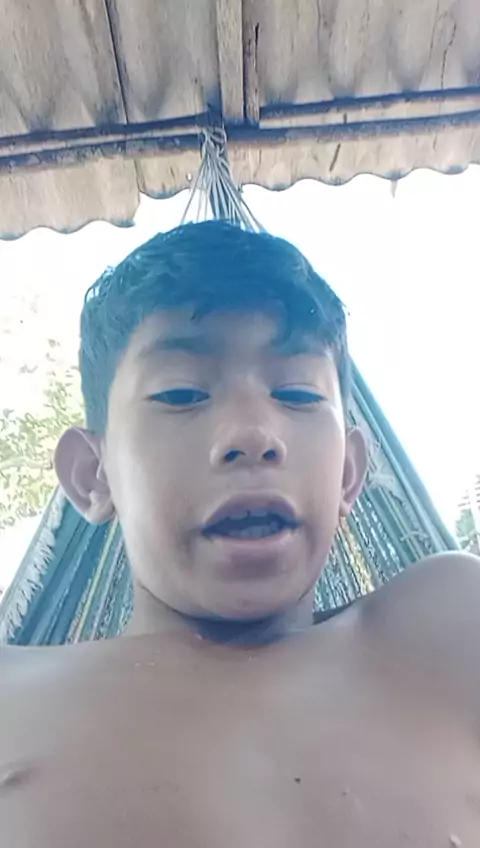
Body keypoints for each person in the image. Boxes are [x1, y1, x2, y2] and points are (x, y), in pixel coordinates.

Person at [1, 221, 479, 848]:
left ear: (348, 473)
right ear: (93, 475)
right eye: (180, 393)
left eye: (297, 393)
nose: (254, 435)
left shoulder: (445, 632)